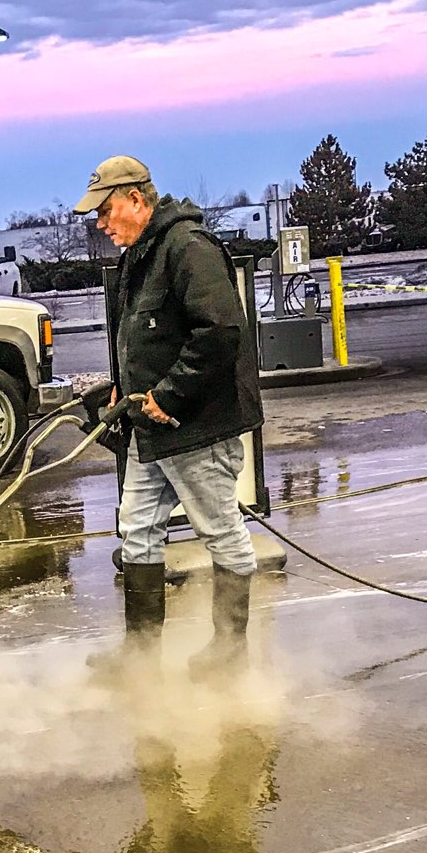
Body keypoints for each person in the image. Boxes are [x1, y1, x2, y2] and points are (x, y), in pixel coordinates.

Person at [72, 155, 264, 678]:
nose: (101, 224)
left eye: (106, 211)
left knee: (221, 531)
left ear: (136, 199)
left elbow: (221, 331)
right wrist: (125, 383)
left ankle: (230, 652)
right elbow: (147, 334)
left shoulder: (187, 248)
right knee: (136, 528)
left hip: (194, 425)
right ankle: (139, 657)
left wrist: (171, 395)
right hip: (149, 429)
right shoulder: (141, 255)